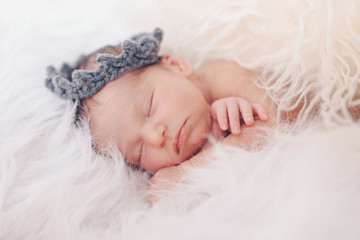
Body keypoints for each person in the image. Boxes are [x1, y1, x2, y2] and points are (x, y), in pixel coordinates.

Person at [45, 28, 291, 200]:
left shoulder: (223, 75)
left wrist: (185, 173)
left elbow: (273, 126)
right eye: (139, 152)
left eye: (150, 108)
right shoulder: (193, 143)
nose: (155, 137)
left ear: (177, 66)